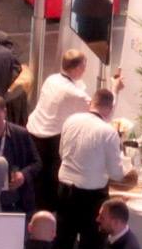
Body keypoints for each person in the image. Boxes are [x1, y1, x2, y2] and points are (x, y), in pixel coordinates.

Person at [56, 89, 133, 249]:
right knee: (91, 246)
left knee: (63, 240)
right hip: (91, 196)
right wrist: (129, 172)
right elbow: (116, 173)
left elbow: (61, 153)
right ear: (110, 108)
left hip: (64, 188)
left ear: (92, 102)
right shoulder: (108, 132)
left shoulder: (71, 120)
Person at [28, 50, 109, 212]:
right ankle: (51, 214)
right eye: (84, 66)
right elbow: (101, 110)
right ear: (78, 68)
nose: (85, 69)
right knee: (51, 183)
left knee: (36, 180)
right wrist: (115, 88)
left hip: (32, 133)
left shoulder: (51, 79)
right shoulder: (74, 93)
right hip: (51, 140)